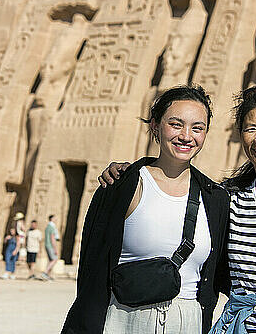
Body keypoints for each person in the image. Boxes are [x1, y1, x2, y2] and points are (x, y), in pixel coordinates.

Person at [99, 85, 256, 334]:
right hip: (241, 327)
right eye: (251, 129)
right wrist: (129, 171)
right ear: (240, 135)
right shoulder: (228, 197)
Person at [62, 85, 231, 334]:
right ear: (155, 126)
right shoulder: (122, 186)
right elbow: (92, 270)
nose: (186, 136)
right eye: (176, 124)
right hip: (125, 320)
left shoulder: (216, 198)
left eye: (198, 127)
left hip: (187, 322)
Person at [42, 214, 60, 281]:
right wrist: (55, 249)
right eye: (55, 218)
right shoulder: (52, 227)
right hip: (50, 245)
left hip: (47, 245)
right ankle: (45, 273)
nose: (56, 220)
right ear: (52, 219)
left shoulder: (48, 227)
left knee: (50, 260)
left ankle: (48, 275)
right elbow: (52, 238)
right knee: (54, 260)